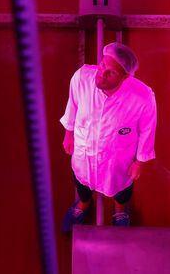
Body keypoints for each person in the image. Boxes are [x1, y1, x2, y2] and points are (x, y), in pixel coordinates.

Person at [59, 42, 157, 233]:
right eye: (102, 65)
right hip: (84, 151)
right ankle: (84, 204)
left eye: (110, 72)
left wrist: (139, 162)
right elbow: (73, 106)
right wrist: (68, 133)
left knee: (121, 187)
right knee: (81, 180)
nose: (101, 74)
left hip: (118, 157)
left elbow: (147, 130)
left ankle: (120, 209)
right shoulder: (81, 78)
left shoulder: (143, 97)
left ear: (125, 76)